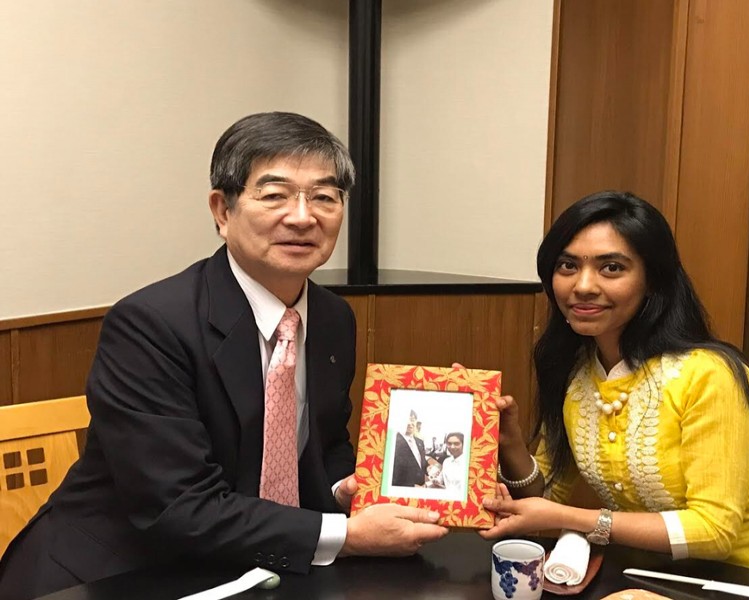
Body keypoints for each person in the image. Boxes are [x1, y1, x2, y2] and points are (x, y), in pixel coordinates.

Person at [0, 112, 447, 600]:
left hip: (254, 564)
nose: (303, 217)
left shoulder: (333, 318)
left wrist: (347, 491)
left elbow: (325, 443)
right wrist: (348, 535)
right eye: (274, 195)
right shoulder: (150, 324)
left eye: (324, 197)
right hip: (123, 570)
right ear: (222, 210)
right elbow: (177, 506)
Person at [480, 191, 749, 592]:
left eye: (611, 268)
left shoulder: (707, 375)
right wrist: (510, 443)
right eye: (567, 265)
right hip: (663, 581)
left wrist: (574, 519)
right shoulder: (575, 372)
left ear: (653, 280)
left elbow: (714, 531)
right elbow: (547, 498)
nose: (583, 286)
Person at [392, 411, 427, 487]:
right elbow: (391, 474)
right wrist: (412, 486)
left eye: (412, 420)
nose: (410, 423)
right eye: (406, 420)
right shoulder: (393, 442)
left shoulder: (420, 442)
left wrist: (430, 469)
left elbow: (421, 463)